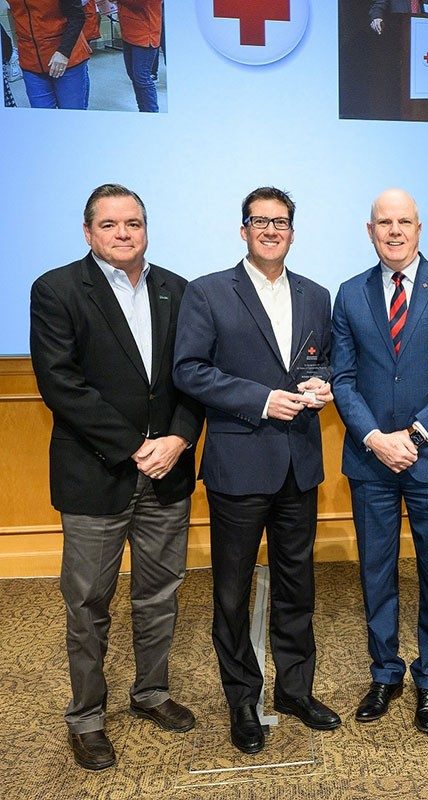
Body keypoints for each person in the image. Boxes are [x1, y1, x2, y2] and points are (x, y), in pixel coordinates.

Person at [29, 184, 204, 771]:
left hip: (167, 475)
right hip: (95, 476)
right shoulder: (56, 290)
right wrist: (135, 447)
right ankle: (86, 719)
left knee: (158, 596)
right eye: (109, 225)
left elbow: (194, 378)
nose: (123, 234)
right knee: (88, 603)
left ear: (146, 228)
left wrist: (178, 439)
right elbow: (61, 385)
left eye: (133, 223)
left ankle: (151, 693)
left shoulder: (177, 290)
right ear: (88, 233)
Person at [173, 187, 341, 755]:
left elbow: (328, 361)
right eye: (260, 220)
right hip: (239, 465)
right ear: (242, 229)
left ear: (293, 232)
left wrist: (326, 384)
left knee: (298, 586)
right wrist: (263, 398)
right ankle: (243, 698)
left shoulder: (317, 296)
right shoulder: (208, 292)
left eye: (281, 221)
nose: (271, 229)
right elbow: (190, 371)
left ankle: (295, 690)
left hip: (299, 465)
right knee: (232, 592)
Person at [331, 188, 428, 734]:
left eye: (404, 222)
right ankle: (385, 671)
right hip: (371, 459)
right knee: (376, 572)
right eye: (383, 222)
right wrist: (375, 436)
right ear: (369, 230)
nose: (394, 231)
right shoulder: (349, 294)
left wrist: (415, 435)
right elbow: (342, 379)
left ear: (420, 228)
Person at [7, 0, 91, 109]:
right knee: (42, 117)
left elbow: (77, 16)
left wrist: (64, 52)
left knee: (71, 115)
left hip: (67, 57)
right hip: (30, 60)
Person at [117, 0, 161, 112]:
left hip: (145, 34)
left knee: (142, 78)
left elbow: (139, 3)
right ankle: (143, 111)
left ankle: (151, 114)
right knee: (134, 76)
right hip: (129, 31)